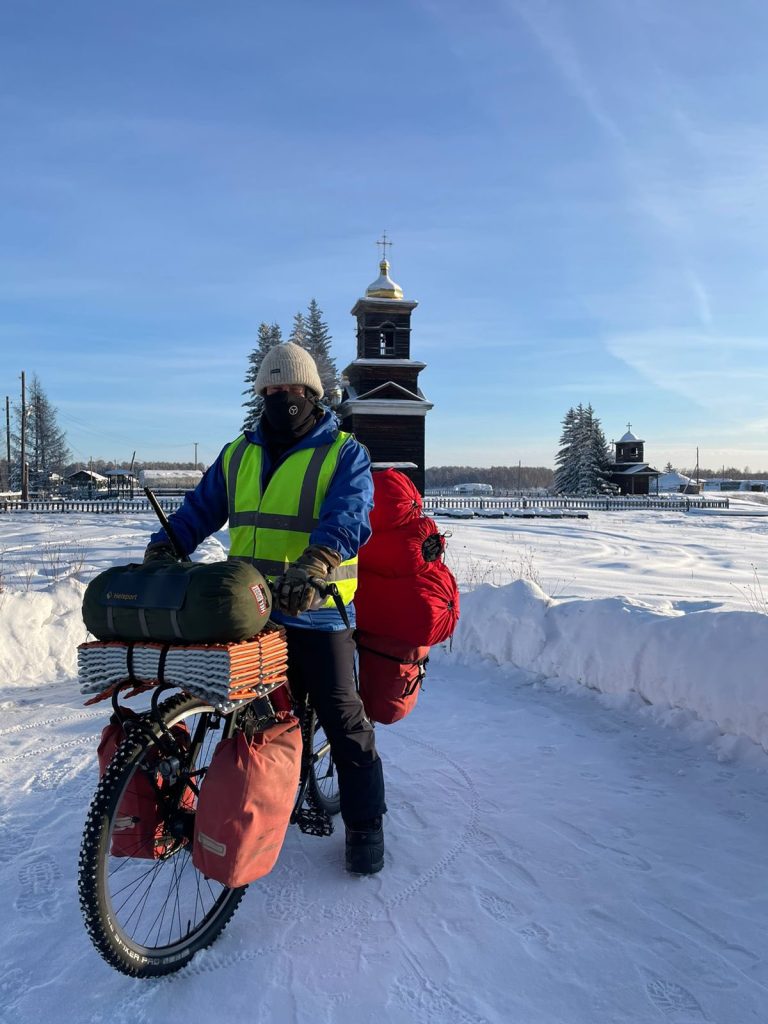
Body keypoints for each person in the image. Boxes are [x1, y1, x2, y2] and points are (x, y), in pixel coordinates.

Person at [144, 343, 386, 874]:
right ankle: (251, 806)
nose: (281, 398)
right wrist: (167, 545)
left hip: (318, 610)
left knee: (342, 717)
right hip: (252, 608)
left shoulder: (344, 453)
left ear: (311, 393)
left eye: (291, 389)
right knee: (247, 715)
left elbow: (350, 515)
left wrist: (317, 561)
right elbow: (200, 509)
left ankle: (366, 823)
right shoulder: (239, 453)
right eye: (271, 389)